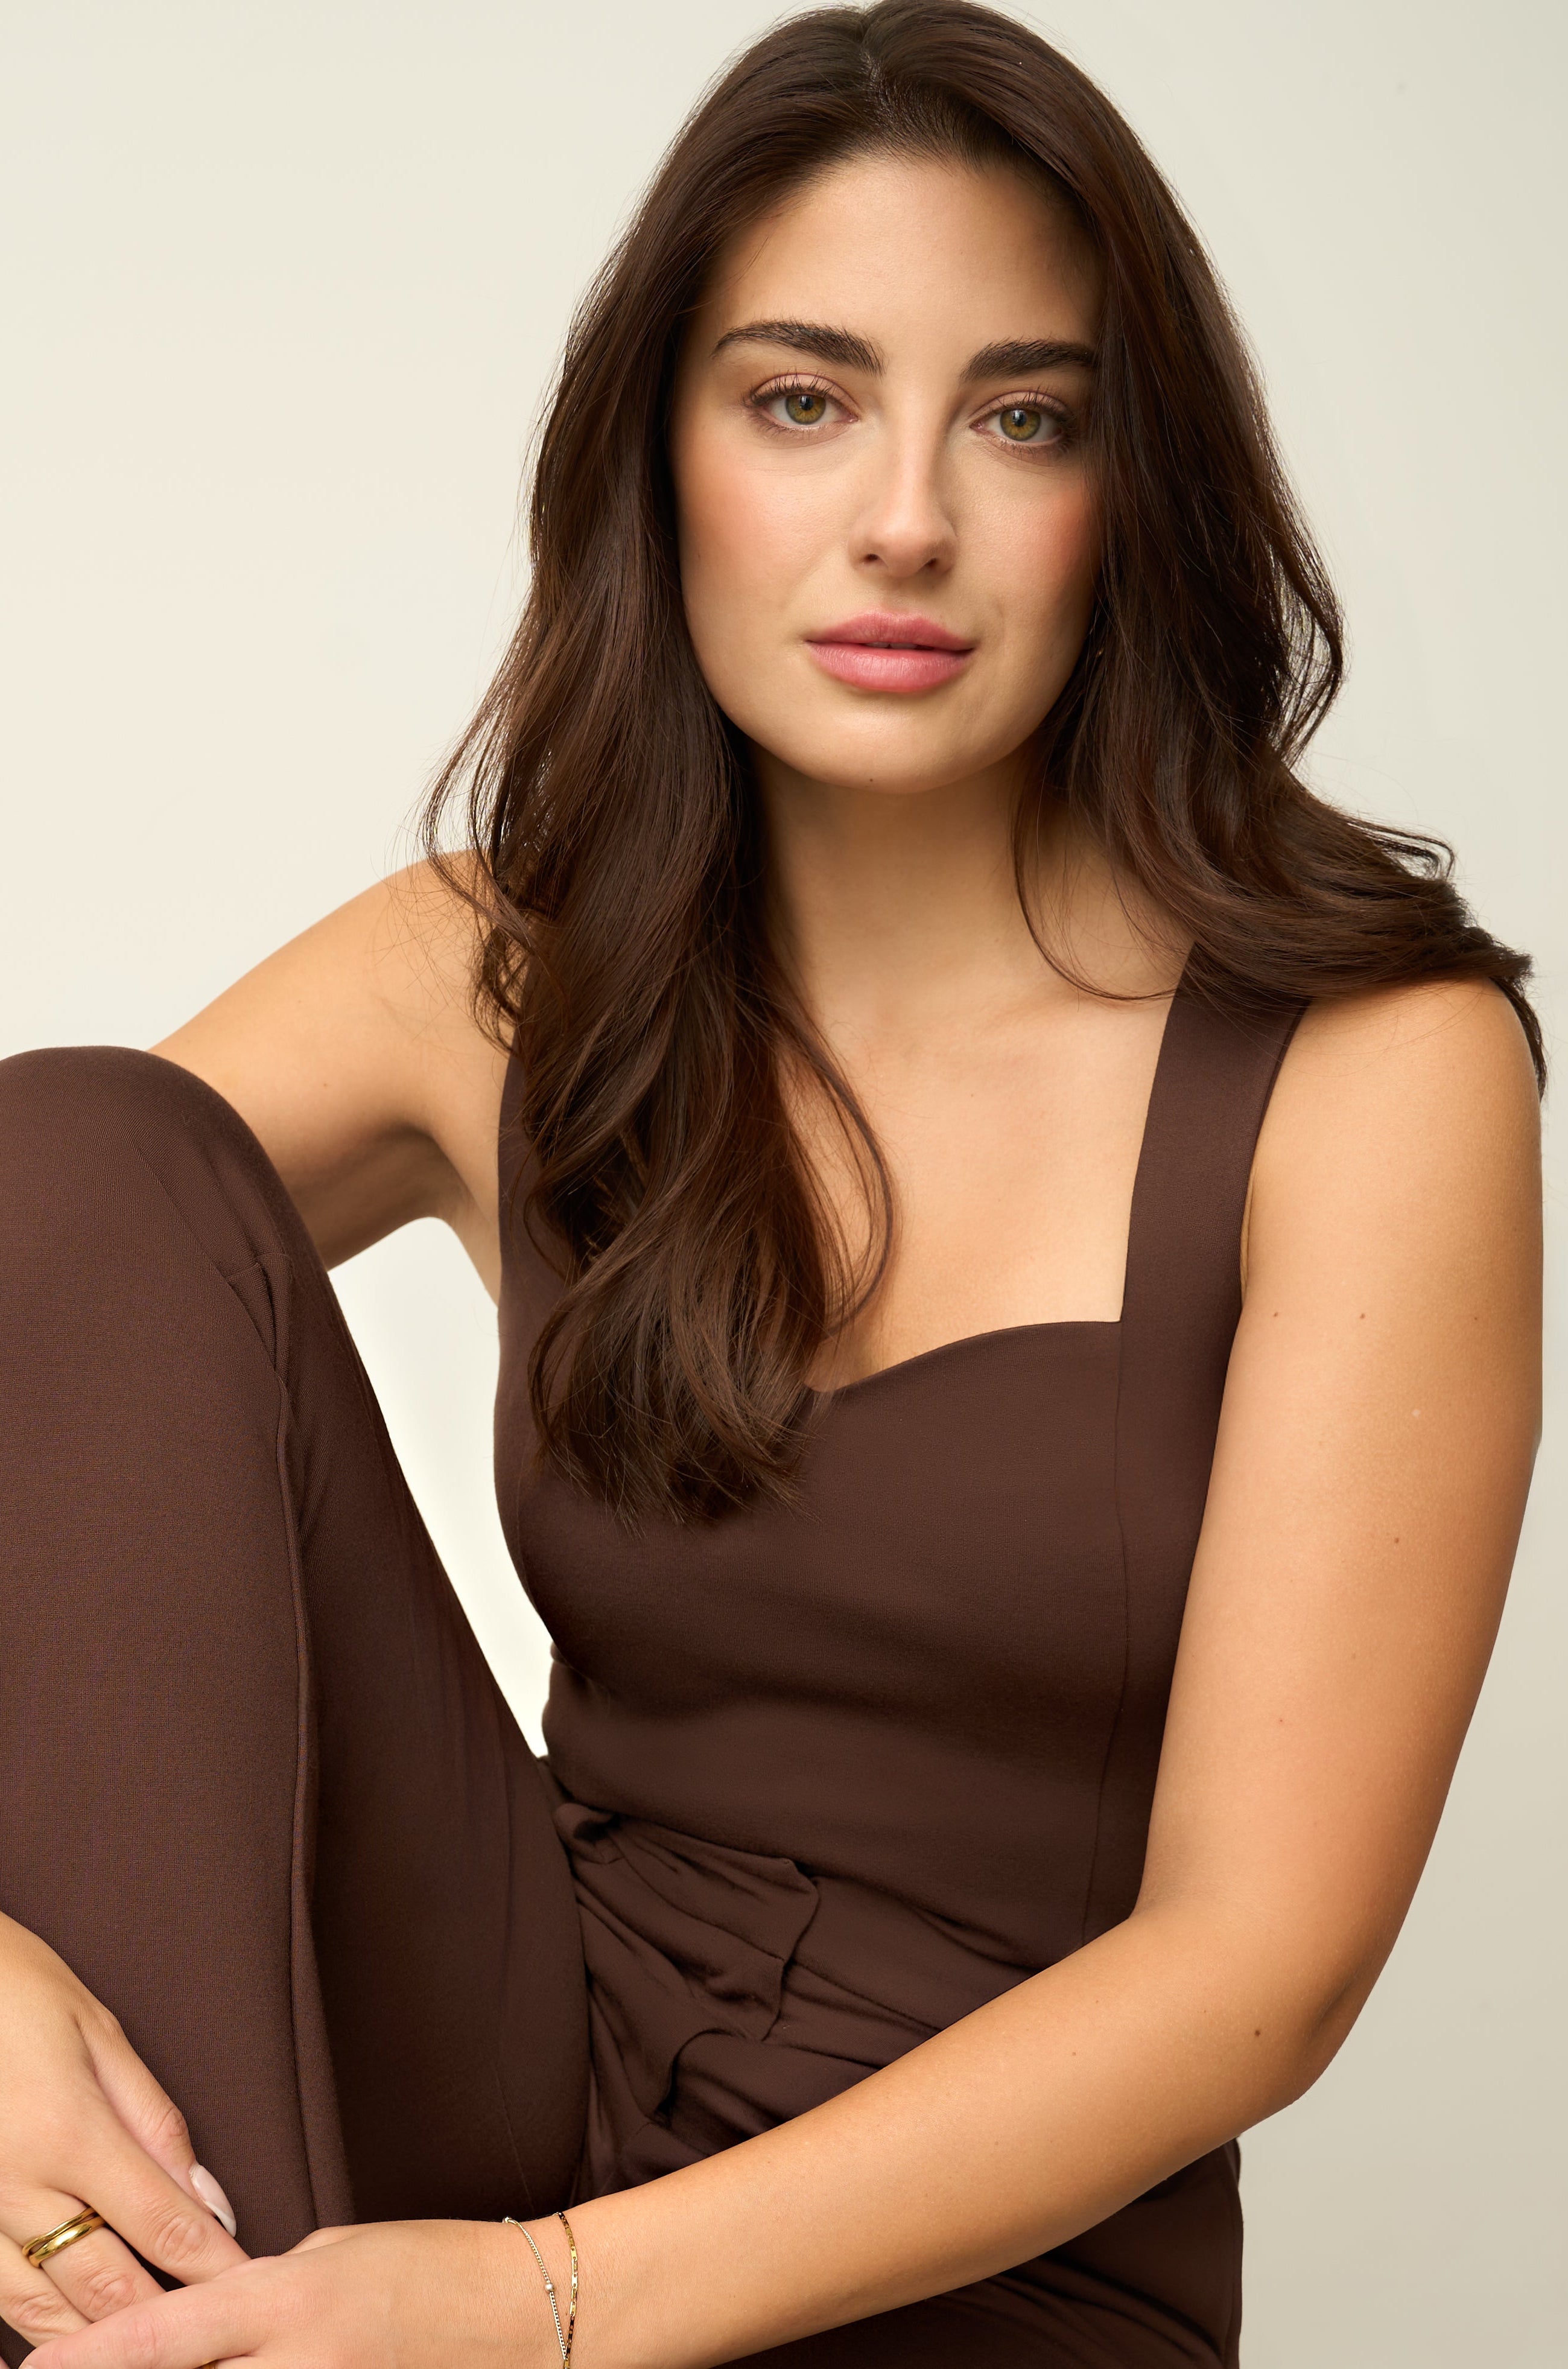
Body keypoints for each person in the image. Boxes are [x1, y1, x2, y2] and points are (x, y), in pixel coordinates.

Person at [0, 3, 1542, 2364]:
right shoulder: (495, 971)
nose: (901, 516)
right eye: (800, 399)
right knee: (80, 1155)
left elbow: (1256, 1969)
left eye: (1018, 415)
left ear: (1130, 498)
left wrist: (533, 2308)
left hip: (970, 2262)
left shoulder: (1370, 1071)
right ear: (663, 460)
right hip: (495, 2082)